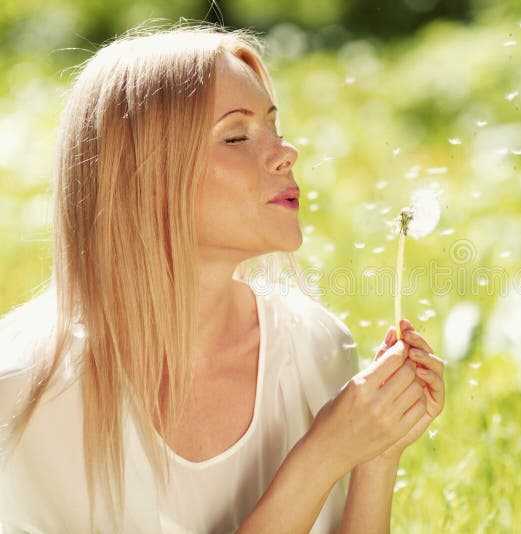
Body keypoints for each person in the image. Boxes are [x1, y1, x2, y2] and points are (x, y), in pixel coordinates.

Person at [0, 25, 445, 533]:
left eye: (275, 128)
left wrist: (375, 456)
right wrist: (322, 454)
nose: (287, 152)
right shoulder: (27, 389)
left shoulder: (312, 348)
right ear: (142, 178)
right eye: (236, 136)